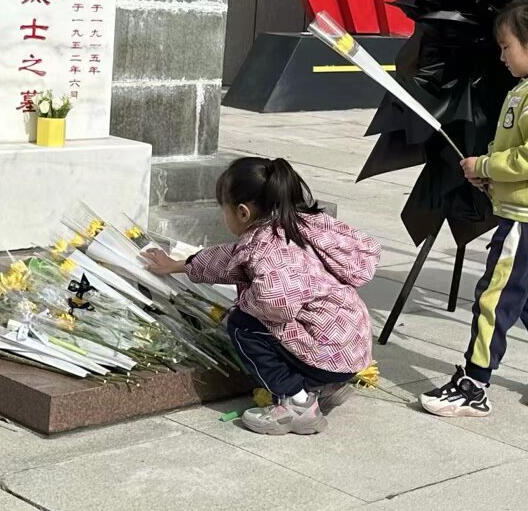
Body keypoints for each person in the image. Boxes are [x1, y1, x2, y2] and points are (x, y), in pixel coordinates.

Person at [420, 0, 528, 416]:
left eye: (506, 46)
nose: (502, 56)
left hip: (527, 217)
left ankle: (474, 383)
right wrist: (491, 174)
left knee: (493, 297)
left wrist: (486, 165)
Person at [143, 156, 380, 434]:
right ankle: (325, 387)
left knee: (243, 325)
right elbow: (229, 259)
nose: (223, 216)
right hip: (351, 347)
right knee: (262, 321)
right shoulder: (299, 226)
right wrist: (180, 265)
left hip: (327, 355)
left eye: (223, 209)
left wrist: (241, 302)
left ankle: (297, 403)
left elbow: (276, 304)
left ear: (242, 212)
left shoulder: (268, 251)